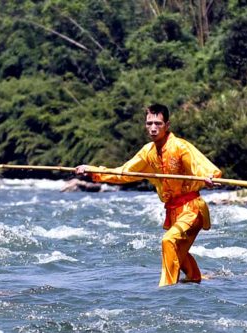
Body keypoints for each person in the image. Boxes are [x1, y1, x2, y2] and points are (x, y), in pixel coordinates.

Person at [75, 104, 222, 287]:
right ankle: (193, 278)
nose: (153, 128)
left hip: (192, 208)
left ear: (167, 125)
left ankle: (166, 288)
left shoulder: (180, 147)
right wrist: (92, 171)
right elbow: (123, 173)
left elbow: (199, 166)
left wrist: (208, 177)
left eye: (158, 123)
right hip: (173, 209)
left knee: (168, 240)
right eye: (149, 123)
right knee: (177, 250)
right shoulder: (147, 152)